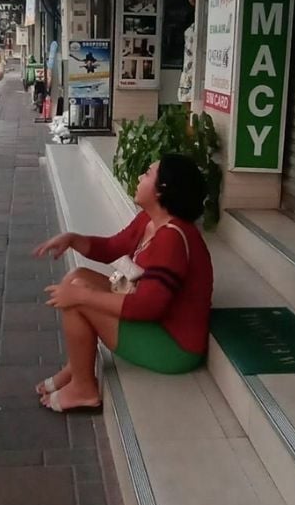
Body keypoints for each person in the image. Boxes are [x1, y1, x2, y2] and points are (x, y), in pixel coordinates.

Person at [32, 155, 213, 413]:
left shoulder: (172, 238)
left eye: (148, 174)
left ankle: (83, 388)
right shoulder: (149, 221)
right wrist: (72, 238)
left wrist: (81, 297)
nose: (140, 177)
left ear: (163, 190)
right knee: (76, 278)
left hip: (174, 346)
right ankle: (76, 367)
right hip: (153, 320)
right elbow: (111, 248)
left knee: (78, 297)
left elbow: (148, 307)